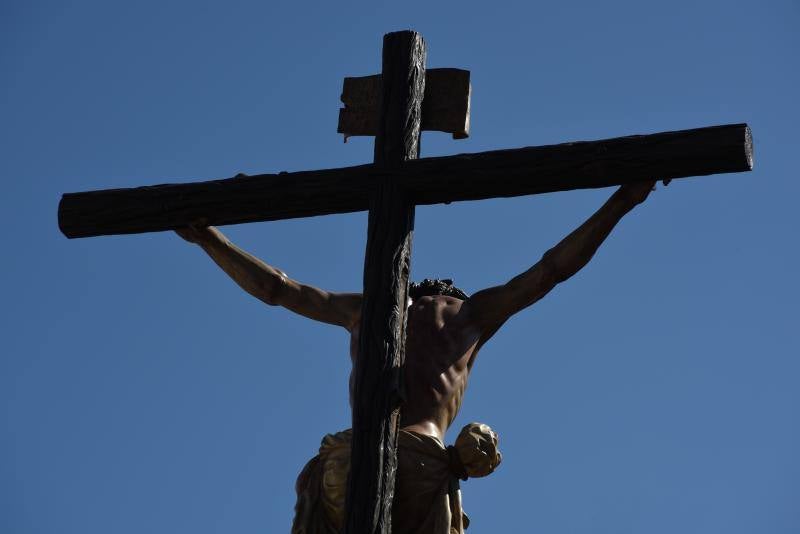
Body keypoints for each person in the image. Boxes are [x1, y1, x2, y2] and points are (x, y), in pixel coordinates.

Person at [176, 180, 658, 533]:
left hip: (347, 458)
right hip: (422, 460)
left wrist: (209, 238)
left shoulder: (365, 309)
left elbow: (277, 289)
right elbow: (550, 270)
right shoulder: (470, 316)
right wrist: (622, 201)